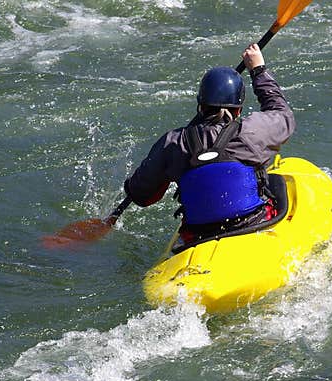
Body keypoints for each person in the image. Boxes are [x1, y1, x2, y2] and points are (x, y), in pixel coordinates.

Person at [123, 43, 295, 244]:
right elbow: (283, 115)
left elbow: (142, 196)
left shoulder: (172, 142)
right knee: (277, 184)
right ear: (238, 110)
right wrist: (258, 71)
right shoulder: (251, 133)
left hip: (198, 237)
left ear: (200, 106)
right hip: (251, 225)